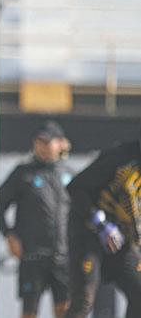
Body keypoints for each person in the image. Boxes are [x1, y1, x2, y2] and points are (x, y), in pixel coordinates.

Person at [0, 121, 73, 318]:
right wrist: (8, 234)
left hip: (63, 255)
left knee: (66, 309)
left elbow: (81, 211)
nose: (42, 147)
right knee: (30, 310)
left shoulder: (69, 174)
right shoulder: (23, 173)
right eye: (39, 142)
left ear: (60, 143)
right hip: (32, 255)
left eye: (48, 142)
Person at [64, 129, 141, 318]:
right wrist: (100, 222)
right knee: (84, 300)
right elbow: (76, 187)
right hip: (89, 235)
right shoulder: (121, 156)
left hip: (121, 241)